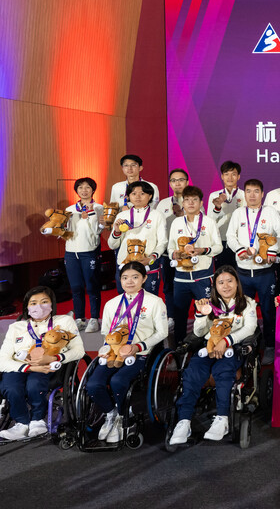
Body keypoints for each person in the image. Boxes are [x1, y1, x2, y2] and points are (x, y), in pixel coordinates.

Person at [169, 266, 258, 444]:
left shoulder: (247, 303)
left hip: (233, 347)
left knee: (223, 372)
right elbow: (199, 331)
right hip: (208, 346)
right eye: (221, 282)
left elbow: (250, 328)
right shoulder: (209, 303)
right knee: (193, 372)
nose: (226, 286)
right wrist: (200, 314)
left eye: (230, 281)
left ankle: (222, 418)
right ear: (215, 285)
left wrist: (227, 341)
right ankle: (184, 421)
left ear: (237, 283)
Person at [86, 262, 167, 444]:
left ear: (144, 279)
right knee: (93, 384)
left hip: (140, 353)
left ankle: (124, 415)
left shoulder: (155, 302)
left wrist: (138, 346)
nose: (129, 281)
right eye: (125, 277)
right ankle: (111, 413)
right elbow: (106, 332)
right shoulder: (111, 304)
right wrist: (107, 348)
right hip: (115, 352)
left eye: (135, 277)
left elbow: (162, 332)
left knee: (118, 380)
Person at [0, 287, 84, 440]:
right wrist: (29, 367)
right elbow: (3, 359)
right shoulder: (15, 327)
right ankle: (21, 424)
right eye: (33, 303)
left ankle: (37, 420)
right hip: (20, 366)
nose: (39, 306)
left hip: (49, 366)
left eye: (44, 302)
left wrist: (55, 358)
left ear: (52, 304)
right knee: (11, 387)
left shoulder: (64, 321)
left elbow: (79, 351)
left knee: (34, 384)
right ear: (26, 306)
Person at [227, 179, 280, 364]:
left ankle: (269, 346)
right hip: (243, 273)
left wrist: (271, 251)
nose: (252, 195)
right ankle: (245, 346)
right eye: (249, 191)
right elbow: (230, 236)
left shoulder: (270, 212)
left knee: (269, 311)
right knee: (242, 311)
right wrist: (240, 250)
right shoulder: (238, 213)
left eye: (256, 191)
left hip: (265, 273)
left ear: (262, 194)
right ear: (244, 194)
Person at [167, 186, 222, 344]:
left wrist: (202, 250)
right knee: (180, 316)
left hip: (202, 276)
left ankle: (206, 346)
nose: (191, 203)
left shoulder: (209, 222)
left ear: (201, 203)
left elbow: (218, 247)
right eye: (187, 200)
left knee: (207, 314)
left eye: (194, 200)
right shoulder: (177, 222)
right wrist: (174, 254)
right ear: (182, 203)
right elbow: (170, 247)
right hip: (181, 277)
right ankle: (179, 350)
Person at [107, 180, 167, 295]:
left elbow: (163, 241)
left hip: (148, 264)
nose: (138, 197)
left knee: (149, 300)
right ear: (128, 196)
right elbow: (112, 245)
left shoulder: (157, 215)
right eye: (134, 194)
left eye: (142, 193)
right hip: (125, 264)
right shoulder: (122, 215)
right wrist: (116, 231)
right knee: (126, 300)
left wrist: (151, 258)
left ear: (150, 196)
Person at [63, 177, 102, 332]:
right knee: (76, 287)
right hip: (71, 253)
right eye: (80, 187)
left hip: (89, 252)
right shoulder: (70, 209)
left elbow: (98, 231)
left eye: (87, 187)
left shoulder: (99, 208)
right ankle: (79, 318)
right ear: (76, 190)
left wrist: (90, 214)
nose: (84, 190)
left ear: (93, 190)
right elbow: (65, 233)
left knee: (92, 286)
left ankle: (94, 318)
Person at [158, 168, 191, 332]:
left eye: (181, 180)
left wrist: (182, 214)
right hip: (168, 253)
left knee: (189, 286)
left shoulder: (194, 201)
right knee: (169, 286)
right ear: (170, 183)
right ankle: (171, 315)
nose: (177, 183)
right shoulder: (163, 204)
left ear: (187, 182)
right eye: (174, 180)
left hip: (190, 253)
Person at [207, 161, 246, 269]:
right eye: (226, 174)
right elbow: (210, 221)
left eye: (233, 174)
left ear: (238, 176)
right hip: (221, 240)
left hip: (240, 241)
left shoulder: (245, 195)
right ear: (222, 176)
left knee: (239, 275)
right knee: (222, 273)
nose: (230, 177)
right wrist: (217, 207)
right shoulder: (214, 196)